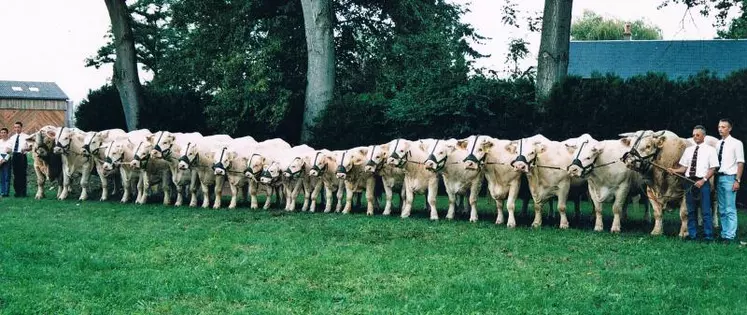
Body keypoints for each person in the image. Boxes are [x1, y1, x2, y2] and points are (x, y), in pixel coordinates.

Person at [668, 125, 719, 241]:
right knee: (690, 210)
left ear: (704, 136)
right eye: (693, 135)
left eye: (698, 135)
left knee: (706, 210)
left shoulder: (710, 150)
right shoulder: (689, 150)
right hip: (689, 183)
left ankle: (708, 236)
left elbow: (713, 168)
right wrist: (674, 170)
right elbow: (684, 168)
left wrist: (703, 180)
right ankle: (692, 234)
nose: (695, 137)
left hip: (703, 183)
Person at [715, 118, 744, 244]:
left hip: (730, 178)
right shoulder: (717, 143)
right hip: (719, 177)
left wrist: (737, 180)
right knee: (721, 208)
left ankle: (730, 235)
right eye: (719, 127)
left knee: (729, 207)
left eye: (723, 127)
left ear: (730, 128)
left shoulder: (737, 143)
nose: (720, 129)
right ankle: (724, 233)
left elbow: (740, 162)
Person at [8, 122, 29, 197]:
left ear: (21, 127)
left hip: (22, 156)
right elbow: (9, 148)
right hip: (15, 156)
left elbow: (31, 146)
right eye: (15, 127)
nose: (17, 129)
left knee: (23, 174)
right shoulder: (12, 137)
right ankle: (17, 192)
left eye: (18, 127)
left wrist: (26, 148)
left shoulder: (26, 137)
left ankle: (23, 192)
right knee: (16, 174)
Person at [0, 127, 10, 197]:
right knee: (1, 177)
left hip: (7, 160)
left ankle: (6, 193)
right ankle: (2, 192)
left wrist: (4, 160)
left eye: (4, 133)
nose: (3, 134)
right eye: (2, 133)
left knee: (6, 177)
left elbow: (9, 152)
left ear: (7, 133)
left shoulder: (10, 141)